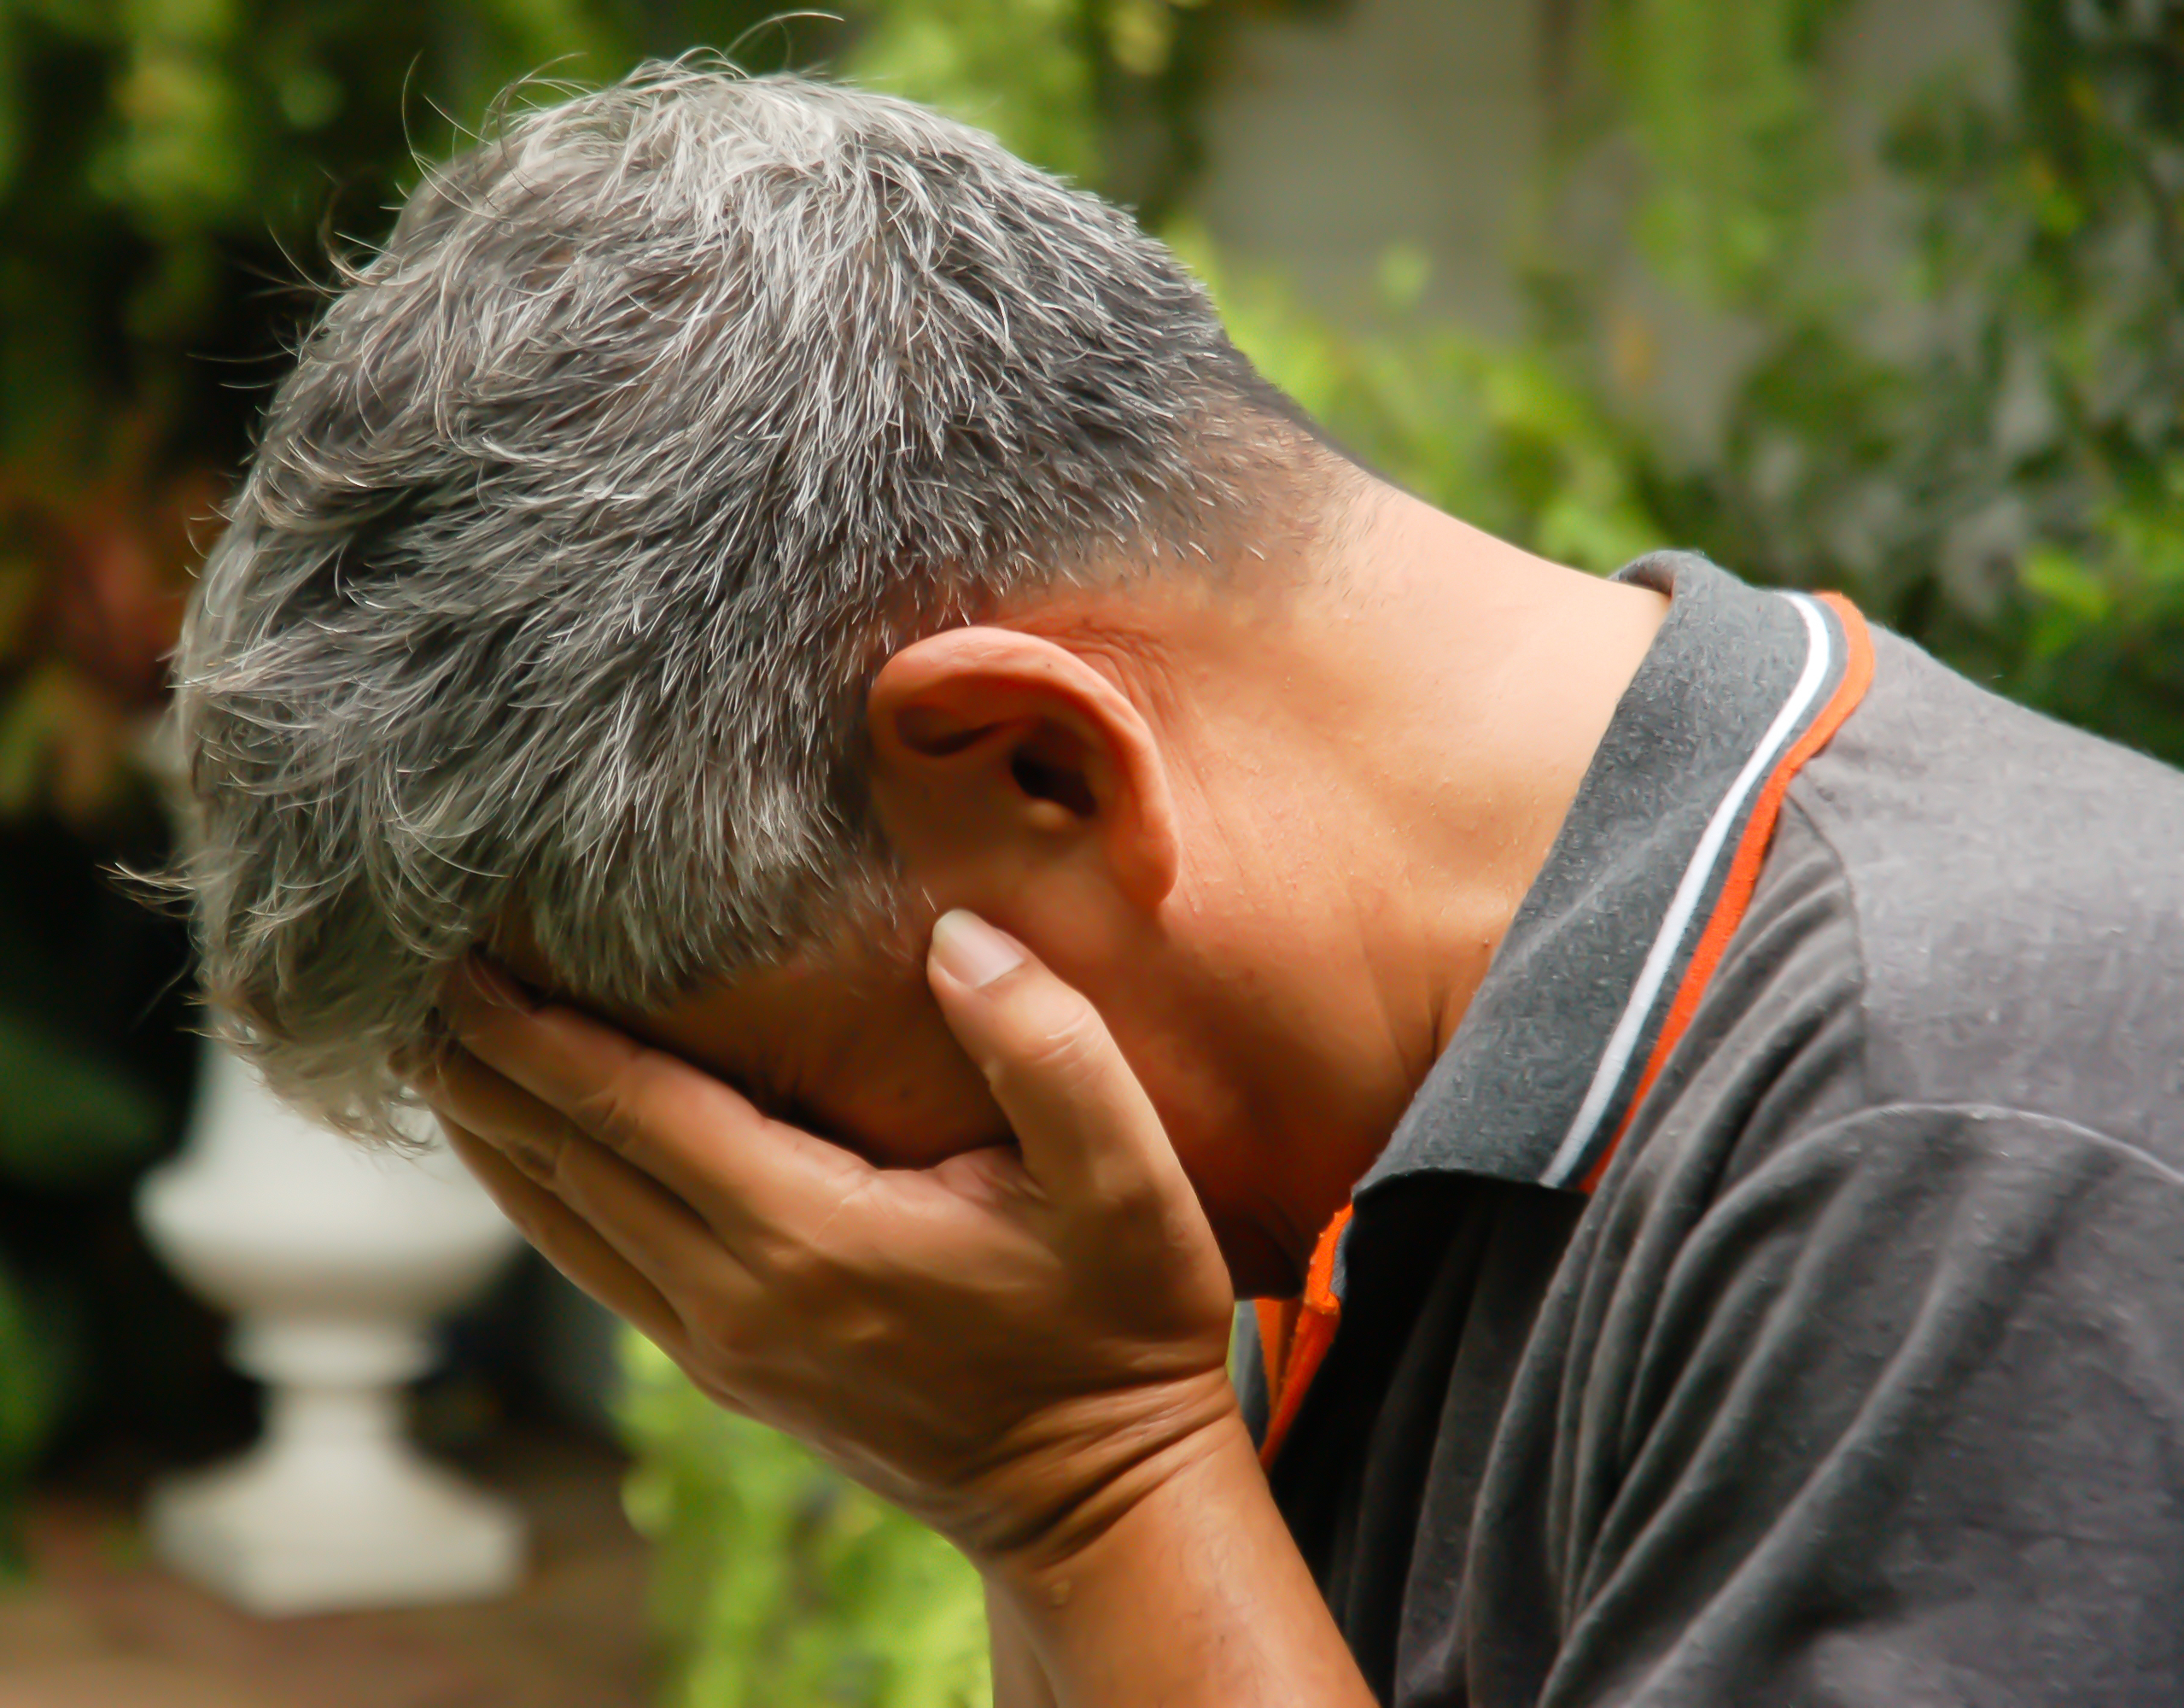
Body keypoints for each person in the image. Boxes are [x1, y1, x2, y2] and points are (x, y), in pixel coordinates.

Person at [163, 63, 2184, 1707]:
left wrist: (1086, 1485)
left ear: (1039, 765)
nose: (792, 1247)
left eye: (759, 1118)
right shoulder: (1343, 1180)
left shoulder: (1964, 1132)